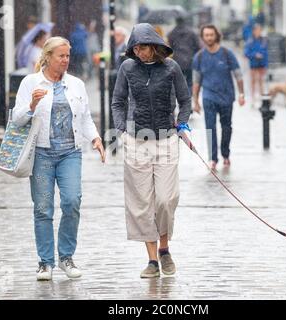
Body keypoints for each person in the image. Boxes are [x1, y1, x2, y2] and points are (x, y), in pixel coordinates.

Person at [12, 37, 106, 281]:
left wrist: (95, 139)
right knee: (43, 209)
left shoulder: (76, 84)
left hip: (70, 153)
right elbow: (17, 120)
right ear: (48, 57)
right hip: (41, 154)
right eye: (61, 56)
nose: (65, 60)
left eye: (67, 56)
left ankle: (66, 257)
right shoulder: (30, 82)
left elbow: (85, 117)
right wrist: (32, 104)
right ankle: (45, 263)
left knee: (72, 201)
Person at [111, 23, 191, 278]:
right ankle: (153, 260)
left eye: (143, 47)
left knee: (165, 199)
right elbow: (118, 100)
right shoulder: (127, 68)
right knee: (142, 202)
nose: (139, 52)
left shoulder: (171, 68)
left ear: (154, 47)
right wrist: (121, 128)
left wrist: (182, 123)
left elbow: (185, 99)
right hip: (136, 140)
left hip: (166, 139)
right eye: (135, 48)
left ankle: (165, 248)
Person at [192, 24, 245, 171]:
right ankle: (212, 159)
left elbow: (238, 75)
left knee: (226, 127)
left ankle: (225, 154)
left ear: (216, 36)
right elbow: (196, 81)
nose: (209, 37)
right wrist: (195, 100)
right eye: (206, 35)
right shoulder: (199, 57)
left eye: (211, 35)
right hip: (208, 97)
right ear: (203, 37)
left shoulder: (227, 54)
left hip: (227, 97)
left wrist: (241, 94)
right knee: (210, 128)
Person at [167, 15, 201, 93]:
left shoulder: (172, 33)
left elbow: (170, 46)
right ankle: (188, 98)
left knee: (178, 82)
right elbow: (197, 46)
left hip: (177, 61)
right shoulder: (191, 32)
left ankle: (180, 100)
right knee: (189, 82)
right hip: (190, 60)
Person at [244, 24, 268, 104]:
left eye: (260, 30)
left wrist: (265, 65)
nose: (258, 32)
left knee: (261, 81)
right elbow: (246, 53)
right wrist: (255, 55)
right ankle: (253, 98)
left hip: (261, 64)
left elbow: (266, 53)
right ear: (254, 31)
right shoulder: (250, 41)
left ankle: (262, 98)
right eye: (257, 30)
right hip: (253, 64)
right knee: (253, 81)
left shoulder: (263, 40)